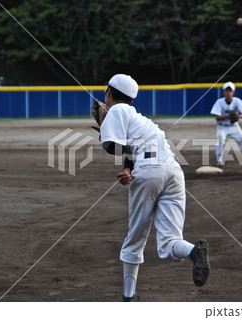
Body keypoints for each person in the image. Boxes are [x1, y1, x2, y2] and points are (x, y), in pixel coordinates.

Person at [99, 74, 210, 302]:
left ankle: (128, 298)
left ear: (109, 93)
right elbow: (133, 150)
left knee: (135, 237)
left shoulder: (116, 111)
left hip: (149, 171)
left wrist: (104, 133)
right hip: (174, 171)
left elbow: (113, 148)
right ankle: (193, 252)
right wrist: (129, 169)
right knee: (170, 240)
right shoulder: (141, 120)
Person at [210, 81, 242, 173]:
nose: (228, 93)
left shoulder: (237, 101)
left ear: (233, 92)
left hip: (234, 127)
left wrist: (237, 116)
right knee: (220, 142)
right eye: (226, 91)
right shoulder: (219, 102)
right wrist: (229, 116)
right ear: (223, 92)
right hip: (222, 127)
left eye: (230, 91)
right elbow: (217, 118)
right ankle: (219, 163)